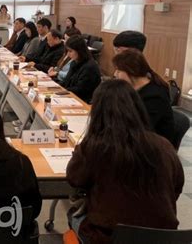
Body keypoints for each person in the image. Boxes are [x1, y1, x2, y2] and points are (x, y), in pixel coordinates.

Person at [66, 79, 184, 244]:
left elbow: (74, 178)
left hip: (110, 237)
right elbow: (177, 187)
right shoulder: (164, 145)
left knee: (73, 214)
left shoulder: (94, 147)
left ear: (97, 113)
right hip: (163, 237)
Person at [112, 49, 175, 145]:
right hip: (133, 139)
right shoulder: (132, 88)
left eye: (118, 70)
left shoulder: (155, 96)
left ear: (131, 71)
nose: (115, 74)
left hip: (152, 146)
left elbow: (138, 128)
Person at [59, 35, 101, 103]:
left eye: (70, 51)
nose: (68, 54)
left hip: (82, 100)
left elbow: (80, 89)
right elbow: (66, 82)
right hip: (71, 97)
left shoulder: (90, 67)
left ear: (79, 50)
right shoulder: (75, 62)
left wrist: (62, 91)